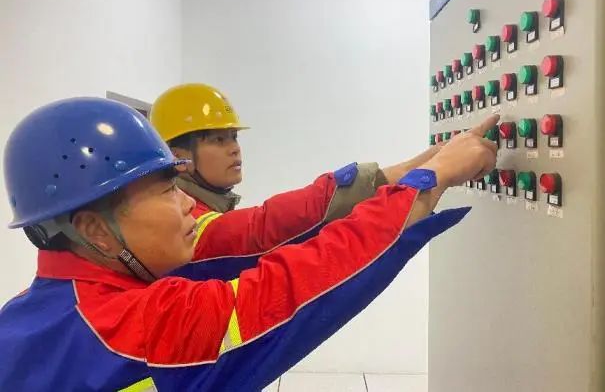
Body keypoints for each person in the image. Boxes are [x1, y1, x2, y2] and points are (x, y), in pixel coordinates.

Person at [0, 97, 498, 391]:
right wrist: (429, 179)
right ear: (93, 229)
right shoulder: (137, 326)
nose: (188, 204)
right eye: (168, 190)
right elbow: (296, 283)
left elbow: (262, 234)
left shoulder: (29, 313)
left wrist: (415, 171)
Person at [150, 83, 448, 281]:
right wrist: (395, 174)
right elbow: (261, 227)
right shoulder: (184, 222)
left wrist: (418, 165)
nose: (234, 149)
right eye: (218, 140)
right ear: (179, 158)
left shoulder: (201, 207)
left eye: (234, 137)